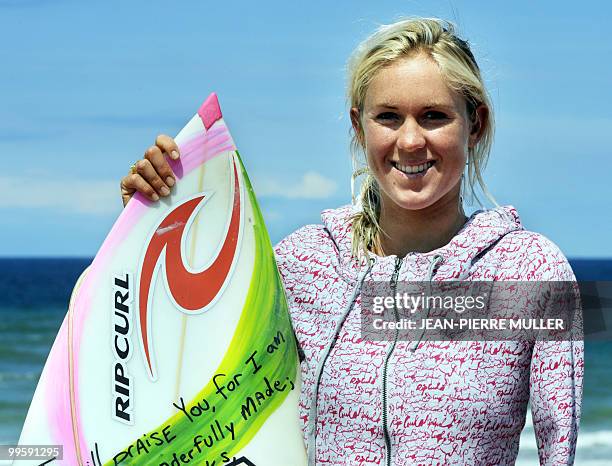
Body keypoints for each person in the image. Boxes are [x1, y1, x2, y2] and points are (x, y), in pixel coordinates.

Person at [120, 17, 583, 466]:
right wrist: (145, 226)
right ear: (360, 126)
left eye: (434, 116)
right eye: (388, 117)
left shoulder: (529, 271)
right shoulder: (303, 263)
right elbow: (187, 364)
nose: (409, 140)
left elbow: (558, 447)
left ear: (474, 124)